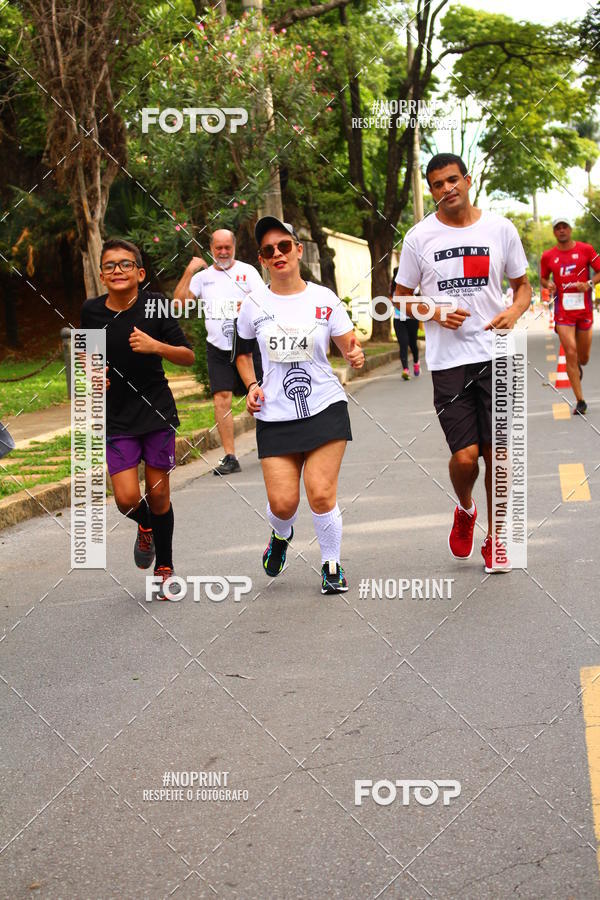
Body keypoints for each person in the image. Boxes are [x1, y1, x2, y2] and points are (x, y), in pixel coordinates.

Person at [394, 153, 531, 573]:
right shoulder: (419, 237)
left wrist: (514, 312)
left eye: (452, 180)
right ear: (431, 190)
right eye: (437, 184)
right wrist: (433, 312)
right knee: (467, 457)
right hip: (449, 362)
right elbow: (399, 300)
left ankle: (497, 537)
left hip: (496, 355)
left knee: (498, 454)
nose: (446, 189)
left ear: (467, 181)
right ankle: (466, 508)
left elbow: (523, 287)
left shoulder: (500, 229)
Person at [235, 217, 364, 594]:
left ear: (298, 250)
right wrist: (251, 385)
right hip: (275, 414)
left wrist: (354, 355)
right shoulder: (253, 305)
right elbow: (242, 353)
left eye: (284, 246)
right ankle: (281, 534)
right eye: (268, 250)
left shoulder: (324, 299)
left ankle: (331, 564)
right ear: (262, 259)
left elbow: (349, 344)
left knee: (320, 493)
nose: (278, 253)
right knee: (283, 503)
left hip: (325, 406)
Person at [80, 238, 195, 599]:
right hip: (117, 415)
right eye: (110, 265)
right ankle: (145, 526)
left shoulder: (157, 305)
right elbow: (86, 355)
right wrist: (92, 373)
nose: (117, 270)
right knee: (127, 498)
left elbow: (187, 355)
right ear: (102, 275)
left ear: (140, 273)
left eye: (125, 264)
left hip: (156, 411)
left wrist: (155, 346)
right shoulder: (91, 311)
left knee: (159, 495)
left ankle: (165, 567)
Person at [174, 229, 264, 474]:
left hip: (248, 344)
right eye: (218, 248)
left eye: (227, 248)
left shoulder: (248, 271)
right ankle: (230, 457)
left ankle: (269, 446)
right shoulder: (202, 277)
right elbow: (179, 304)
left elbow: (265, 300)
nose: (223, 252)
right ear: (211, 248)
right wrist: (189, 270)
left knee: (260, 394)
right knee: (221, 399)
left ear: (234, 247)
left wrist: (248, 304)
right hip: (217, 347)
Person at [540, 217, 600, 416]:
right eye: (558, 228)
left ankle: (578, 366)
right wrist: (548, 284)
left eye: (564, 227)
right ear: (554, 232)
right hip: (563, 311)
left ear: (570, 229)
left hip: (584, 310)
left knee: (583, 357)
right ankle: (580, 400)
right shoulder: (548, 256)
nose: (562, 230)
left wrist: (589, 283)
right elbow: (543, 278)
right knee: (570, 352)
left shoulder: (586, 249)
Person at [390, 266, 420, 379]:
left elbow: (419, 299)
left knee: (412, 344)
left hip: (412, 319)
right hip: (398, 320)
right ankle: (405, 370)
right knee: (403, 343)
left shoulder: (413, 286)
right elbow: (390, 298)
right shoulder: (392, 287)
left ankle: (416, 362)